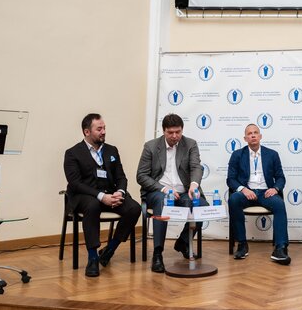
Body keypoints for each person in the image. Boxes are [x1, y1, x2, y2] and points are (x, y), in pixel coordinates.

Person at [63, 113, 141, 277]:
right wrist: (100, 196)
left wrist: (120, 192)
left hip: (110, 194)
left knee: (134, 208)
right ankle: (92, 258)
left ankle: (110, 249)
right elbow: (75, 183)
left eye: (104, 128)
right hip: (84, 196)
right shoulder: (72, 153)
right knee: (92, 206)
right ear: (87, 132)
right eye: (99, 129)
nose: (104, 132)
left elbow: (121, 177)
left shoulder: (111, 150)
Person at [136, 113, 208, 273]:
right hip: (158, 192)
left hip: (183, 192)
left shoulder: (190, 144)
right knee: (162, 202)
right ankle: (157, 254)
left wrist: (194, 185)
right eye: (170, 132)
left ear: (182, 130)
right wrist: (164, 189)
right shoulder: (151, 146)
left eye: (178, 132)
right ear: (164, 131)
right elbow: (141, 176)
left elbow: (196, 167)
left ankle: (183, 242)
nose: (175, 136)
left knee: (202, 206)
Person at [226, 124, 291, 265]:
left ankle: (280, 248)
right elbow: (230, 179)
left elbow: (280, 177)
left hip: (265, 192)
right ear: (245, 138)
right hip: (246, 192)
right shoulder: (237, 155)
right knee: (233, 200)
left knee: (279, 204)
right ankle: (242, 244)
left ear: (260, 136)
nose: (253, 135)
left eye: (255, 132)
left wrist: (275, 189)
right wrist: (243, 189)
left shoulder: (272, 154)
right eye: (249, 133)